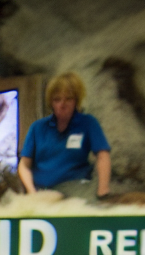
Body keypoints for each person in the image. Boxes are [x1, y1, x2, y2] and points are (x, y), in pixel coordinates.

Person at [17, 72, 110, 200]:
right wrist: (32, 192)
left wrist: (103, 191)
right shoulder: (37, 128)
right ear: (51, 102)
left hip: (77, 192)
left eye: (68, 99)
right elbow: (24, 165)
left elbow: (103, 156)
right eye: (57, 99)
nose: (62, 104)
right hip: (42, 193)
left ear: (76, 100)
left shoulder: (88, 123)